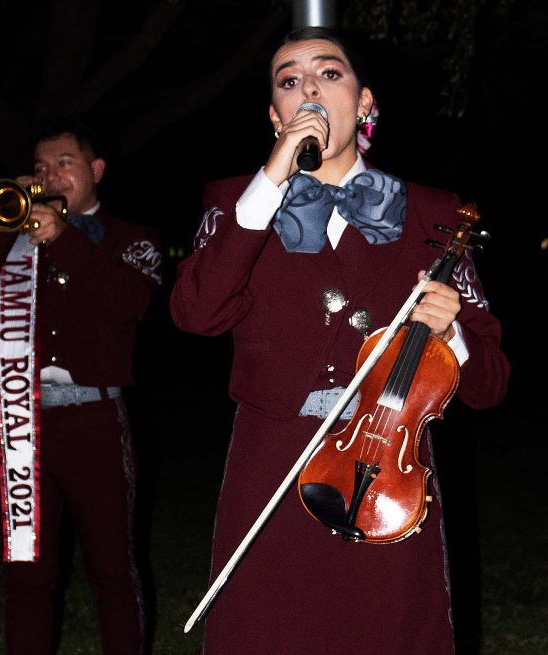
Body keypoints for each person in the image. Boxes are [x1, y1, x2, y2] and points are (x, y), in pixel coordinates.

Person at [170, 26, 510, 654]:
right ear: (276, 115)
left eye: (330, 74)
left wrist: (452, 333)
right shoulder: (233, 202)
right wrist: (269, 182)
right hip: (270, 464)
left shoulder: (435, 211)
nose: (311, 90)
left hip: (390, 476)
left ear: (365, 103)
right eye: (289, 79)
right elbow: (196, 313)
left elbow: (490, 383)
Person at [0, 116, 163, 655]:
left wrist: (63, 238)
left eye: (64, 164)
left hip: (96, 423)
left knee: (112, 570)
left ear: (95, 170)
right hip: (24, 423)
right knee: (26, 576)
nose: (49, 177)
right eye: (40, 167)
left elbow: (130, 300)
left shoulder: (130, 238)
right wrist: (0, 230)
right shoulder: (12, 239)